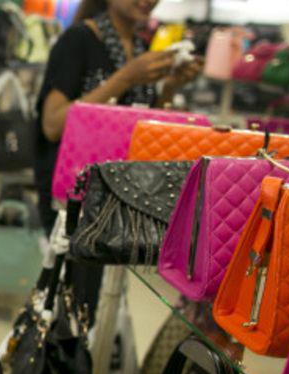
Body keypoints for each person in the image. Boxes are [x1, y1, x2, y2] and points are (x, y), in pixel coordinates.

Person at [35, 0, 202, 232]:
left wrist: (170, 87)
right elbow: (52, 125)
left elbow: (143, 128)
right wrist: (125, 78)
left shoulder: (140, 47)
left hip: (124, 196)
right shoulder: (78, 40)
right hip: (77, 195)